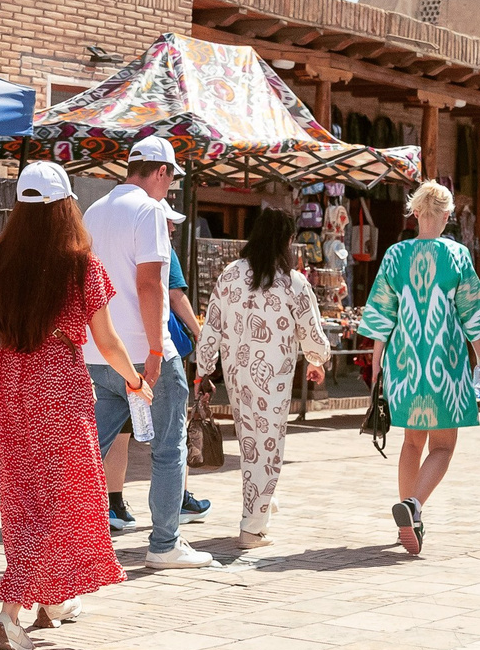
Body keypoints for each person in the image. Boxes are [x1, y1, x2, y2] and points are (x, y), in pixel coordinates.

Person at [0, 160, 144, 650]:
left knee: (26, 499)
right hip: (63, 388)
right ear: (68, 206)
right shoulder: (83, 267)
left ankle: (50, 598)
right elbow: (107, 343)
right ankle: (11, 610)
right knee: (61, 500)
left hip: (15, 389)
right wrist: (135, 380)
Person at [82, 135, 211, 568]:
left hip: (98, 352)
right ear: (160, 172)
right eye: (170, 180)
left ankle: (59, 539)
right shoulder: (150, 210)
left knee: (87, 452)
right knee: (168, 449)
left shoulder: (93, 210)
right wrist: (157, 348)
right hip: (142, 352)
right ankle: (164, 545)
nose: (169, 190)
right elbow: (151, 283)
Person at [359, 179, 480, 556]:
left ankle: (410, 519)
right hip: (445, 362)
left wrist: (376, 366)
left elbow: (380, 317)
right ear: (449, 216)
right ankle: (414, 506)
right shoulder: (456, 256)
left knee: (411, 441)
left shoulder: (394, 255)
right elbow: (473, 313)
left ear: (415, 212)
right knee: (443, 445)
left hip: (403, 362)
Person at [194, 205, 330, 544]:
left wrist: (204, 369)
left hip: (239, 377)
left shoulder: (229, 274)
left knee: (251, 444)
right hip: (274, 381)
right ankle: (252, 526)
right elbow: (313, 335)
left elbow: (210, 326)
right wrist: (319, 359)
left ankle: (261, 507)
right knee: (268, 449)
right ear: (286, 240)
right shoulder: (292, 282)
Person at [101, 243, 213, 530]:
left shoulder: (99, 229)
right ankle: (169, 530)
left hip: (106, 354)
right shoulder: (157, 241)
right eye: (170, 222)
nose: (173, 229)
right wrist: (197, 336)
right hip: (145, 355)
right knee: (169, 444)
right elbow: (172, 294)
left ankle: (112, 504)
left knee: (114, 436)